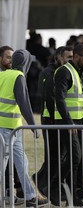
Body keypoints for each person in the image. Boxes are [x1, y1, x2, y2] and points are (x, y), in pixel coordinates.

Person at [0, 49, 48, 207]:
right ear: (26, 63)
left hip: (13, 129)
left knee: (22, 163)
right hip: (7, 129)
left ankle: (30, 196)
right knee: (3, 164)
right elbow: (24, 104)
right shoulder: (18, 76)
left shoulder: (3, 74)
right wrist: (34, 126)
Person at [53, 44, 83, 206]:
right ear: (76, 56)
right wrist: (69, 123)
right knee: (75, 156)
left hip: (81, 122)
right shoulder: (64, 72)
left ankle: (76, 192)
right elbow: (60, 99)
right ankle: (56, 187)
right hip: (66, 122)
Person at [32, 46, 73, 196]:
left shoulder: (64, 72)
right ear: (58, 57)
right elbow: (49, 97)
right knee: (55, 155)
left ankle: (44, 180)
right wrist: (54, 119)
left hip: (58, 118)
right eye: (67, 57)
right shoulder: (48, 73)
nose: (70, 60)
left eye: (72, 57)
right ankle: (45, 183)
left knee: (59, 154)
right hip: (50, 118)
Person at [0, 46, 25, 205]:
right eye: (8, 57)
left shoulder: (12, 75)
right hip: (4, 126)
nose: (11, 60)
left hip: (12, 126)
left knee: (16, 163)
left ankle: (17, 193)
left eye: (12, 57)